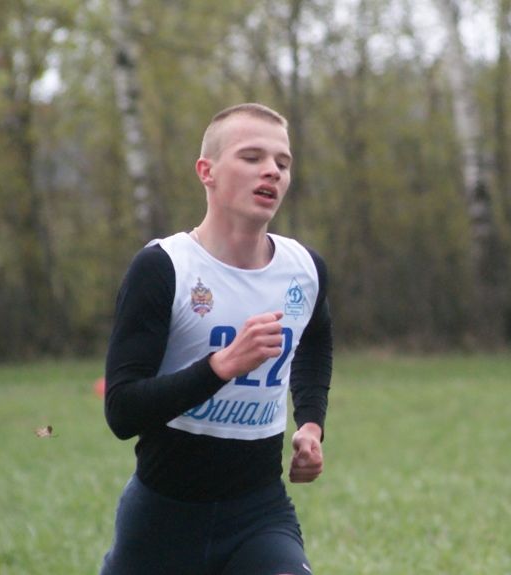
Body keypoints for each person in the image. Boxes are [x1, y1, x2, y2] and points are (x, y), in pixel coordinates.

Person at [99, 103, 332, 575]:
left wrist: (310, 423)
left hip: (259, 515)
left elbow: (313, 341)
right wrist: (220, 366)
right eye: (252, 157)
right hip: (162, 518)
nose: (272, 171)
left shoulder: (304, 270)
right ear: (207, 171)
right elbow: (122, 411)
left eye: (283, 162)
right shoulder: (164, 268)